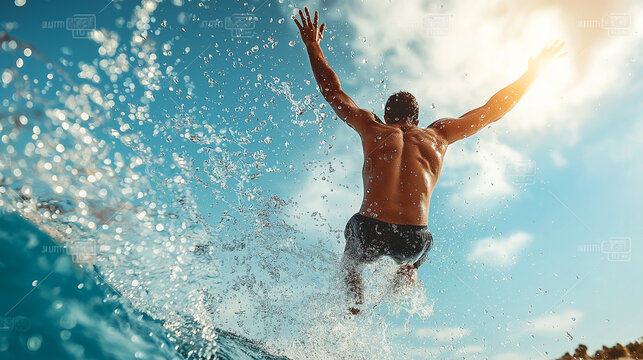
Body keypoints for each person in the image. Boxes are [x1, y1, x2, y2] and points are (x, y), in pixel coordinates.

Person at [294, 7, 566, 314]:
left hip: (369, 229)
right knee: (416, 257)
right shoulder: (438, 136)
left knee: (352, 261)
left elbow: (334, 92)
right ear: (417, 118)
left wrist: (312, 45)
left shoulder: (371, 127)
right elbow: (491, 111)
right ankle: (406, 276)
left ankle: (354, 308)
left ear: (387, 115)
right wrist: (532, 74)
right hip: (413, 238)